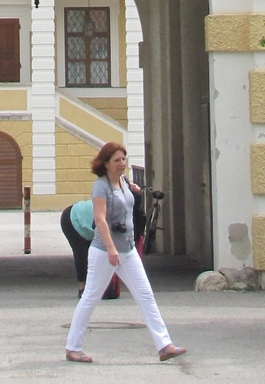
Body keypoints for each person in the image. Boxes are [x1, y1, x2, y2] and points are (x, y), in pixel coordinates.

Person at [64, 142, 187, 364]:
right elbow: (100, 219)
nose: (122, 164)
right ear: (106, 164)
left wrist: (133, 193)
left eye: (124, 159)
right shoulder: (100, 186)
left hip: (127, 250)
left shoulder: (124, 181)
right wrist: (110, 247)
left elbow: (128, 207)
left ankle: (164, 345)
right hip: (105, 251)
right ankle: (73, 347)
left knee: (146, 295)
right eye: (117, 160)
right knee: (91, 296)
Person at [61, 181, 147, 297]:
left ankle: (94, 288)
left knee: (96, 254)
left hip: (86, 220)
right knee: (82, 252)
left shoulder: (132, 212)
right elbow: (99, 228)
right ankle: (82, 289)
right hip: (72, 218)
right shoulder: (112, 207)